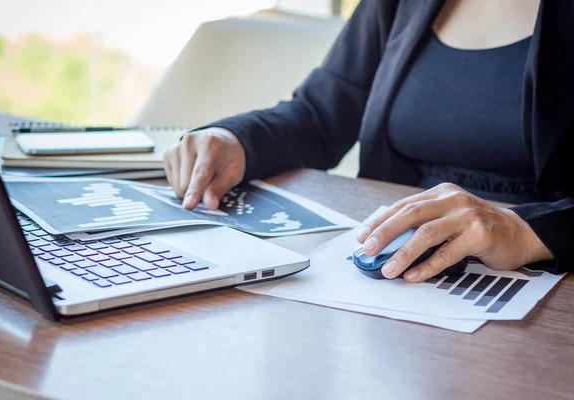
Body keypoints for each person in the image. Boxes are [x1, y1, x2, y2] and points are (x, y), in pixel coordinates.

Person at [163, 0, 574, 282]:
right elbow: (322, 115)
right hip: (396, 272)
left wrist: (526, 230)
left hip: (539, 281)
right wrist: (235, 138)